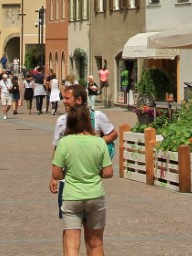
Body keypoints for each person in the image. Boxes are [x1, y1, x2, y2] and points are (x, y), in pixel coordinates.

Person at [50, 104, 113, 256]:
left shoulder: (64, 143)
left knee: (72, 244)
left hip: (72, 196)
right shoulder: (99, 142)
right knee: (96, 243)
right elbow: (108, 172)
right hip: (95, 195)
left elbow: (56, 174)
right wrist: (96, 172)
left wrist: (69, 173)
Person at [52, 84, 117, 156]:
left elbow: (113, 134)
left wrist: (97, 142)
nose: (64, 101)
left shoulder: (97, 116)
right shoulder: (61, 120)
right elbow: (57, 147)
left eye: (67, 98)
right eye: (64, 98)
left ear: (79, 100)